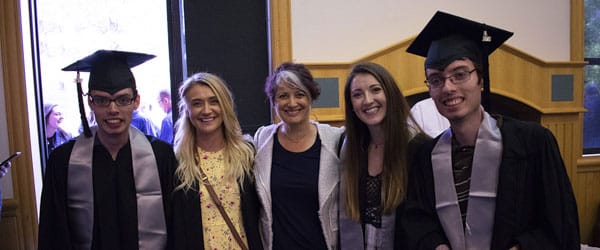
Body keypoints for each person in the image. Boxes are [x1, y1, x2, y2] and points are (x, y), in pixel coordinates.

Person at [402, 11, 580, 250]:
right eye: (436, 79)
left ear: (481, 80)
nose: (448, 87)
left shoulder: (532, 142)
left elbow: (560, 223)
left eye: (460, 74)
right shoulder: (425, 156)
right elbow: (416, 222)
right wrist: (436, 245)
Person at [38, 50, 177, 250]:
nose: (113, 109)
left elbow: (176, 231)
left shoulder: (161, 157)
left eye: (123, 99)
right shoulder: (63, 162)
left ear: (136, 101)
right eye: (102, 100)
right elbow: (53, 233)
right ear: (90, 102)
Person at [253, 62, 344, 250]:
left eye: (300, 94)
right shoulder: (261, 140)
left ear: (311, 97)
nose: (292, 103)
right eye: (283, 96)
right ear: (274, 101)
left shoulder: (335, 140)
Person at [338, 62, 428, 249]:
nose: (368, 100)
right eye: (357, 94)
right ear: (351, 105)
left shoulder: (419, 149)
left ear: (390, 94)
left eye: (375, 90)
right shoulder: (350, 150)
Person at [171, 72, 262, 250]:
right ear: (187, 110)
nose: (206, 110)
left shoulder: (247, 155)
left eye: (214, 101)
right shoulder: (178, 163)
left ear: (225, 105)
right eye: (197, 103)